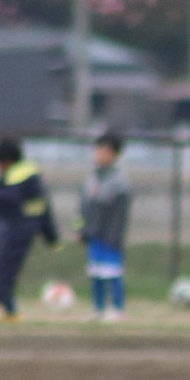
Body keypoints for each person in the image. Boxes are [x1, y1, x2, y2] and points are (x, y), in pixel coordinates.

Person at [0, 138, 59, 320]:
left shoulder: (17, 179)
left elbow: (10, 201)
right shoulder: (23, 178)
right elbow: (43, 209)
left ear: (7, 161)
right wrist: (51, 237)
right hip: (10, 231)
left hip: (13, 232)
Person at [78, 132, 132, 322]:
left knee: (112, 273)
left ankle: (118, 309)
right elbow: (83, 208)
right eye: (99, 150)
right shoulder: (92, 178)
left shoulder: (119, 182)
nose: (100, 154)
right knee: (95, 273)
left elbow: (119, 214)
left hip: (110, 236)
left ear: (115, 155)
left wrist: (115, 237)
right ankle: (97, 309)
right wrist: (81, 230)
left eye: (105, 151)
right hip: (94, 236)